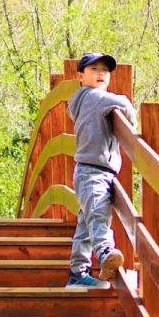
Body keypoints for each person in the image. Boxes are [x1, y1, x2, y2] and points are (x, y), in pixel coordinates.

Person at [65, 51, 136, 289]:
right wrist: (133, 125)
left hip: (90, 170)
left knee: (86, 224)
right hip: (93, 171)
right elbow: (124, 104)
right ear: (80, 76)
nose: (100, 74)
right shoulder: (94, 97)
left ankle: (77, 273)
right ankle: (106, 254)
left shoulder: (83, 99)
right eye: (93, 70)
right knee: (98, 216)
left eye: (105, 71)